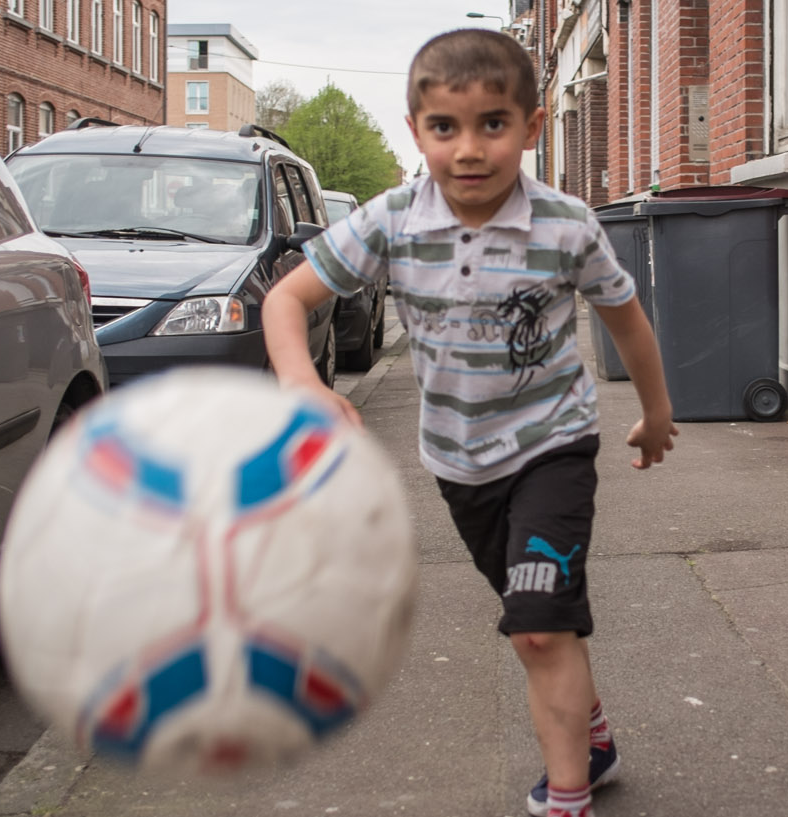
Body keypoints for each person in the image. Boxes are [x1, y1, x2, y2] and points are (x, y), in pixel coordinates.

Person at [258, 28, 676, 817]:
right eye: (446, 127)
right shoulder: (392, 220)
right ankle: (593, 736)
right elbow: (287, 298)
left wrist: (656, 414)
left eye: (494, 123)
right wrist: (299, 382)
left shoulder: (565, 225)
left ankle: (567, 797)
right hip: (458, 463)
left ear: (533, 125)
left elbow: (625, 318)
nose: (471, 148)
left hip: (553, 445)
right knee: (538, 621)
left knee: (539, 628)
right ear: (416, 130)